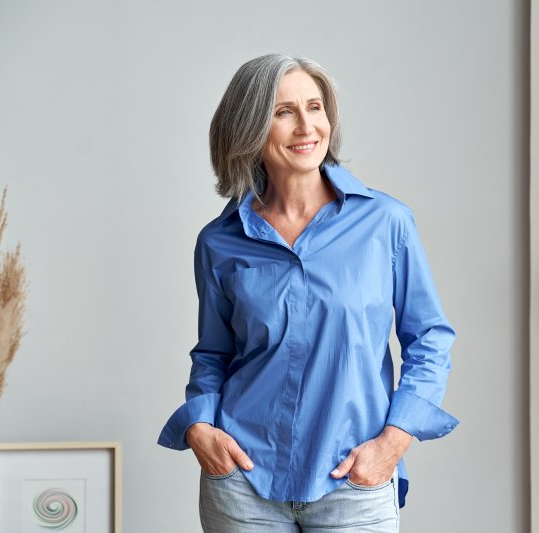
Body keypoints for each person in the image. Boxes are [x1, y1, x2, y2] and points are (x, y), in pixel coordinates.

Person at [158, 54, 458, 533]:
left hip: (352, 479)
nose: (306, 126)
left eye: (315, 107)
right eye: (283, 112)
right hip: (242, 483)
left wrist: (394, 441)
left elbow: (430, 338)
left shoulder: (385, 223)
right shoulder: (219, 241)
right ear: (249, 128)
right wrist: (200, 428)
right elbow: (214, 353)